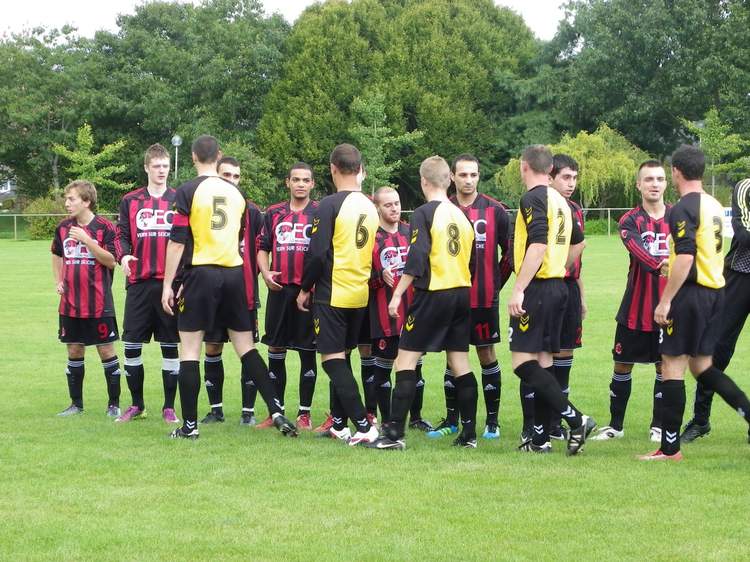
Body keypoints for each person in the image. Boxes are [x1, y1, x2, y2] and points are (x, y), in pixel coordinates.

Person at [161, 135, 296, 439]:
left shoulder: (187, 191)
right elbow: (238, 239)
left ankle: (190, 427)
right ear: (219, 156)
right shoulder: (238, 195)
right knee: (246, 347)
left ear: (194, 156)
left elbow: (177, 241)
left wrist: (169, 284)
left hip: (202, 272)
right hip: (235, 273)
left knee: (190, 351)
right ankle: (276, 410)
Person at [639, 145, 750, 461]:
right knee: (703, 367)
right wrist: (673, 264)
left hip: (691, 296)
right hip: (717, 293)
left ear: (676, 171)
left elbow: (687, 256)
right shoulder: (713, 204)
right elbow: (699, 252)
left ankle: (669, 449)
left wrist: (665, 300)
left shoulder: (682, 208)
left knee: (672, 364)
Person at [367, 156, 476, 450]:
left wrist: (399, 294)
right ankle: (469, 436)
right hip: (462, 292)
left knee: (405, 361)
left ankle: (393, 435)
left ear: (423, 182)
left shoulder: (425, 213)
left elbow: (417, 257)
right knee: (459, 363)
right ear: (449, 179)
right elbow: (473, 261)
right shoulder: (462, 215)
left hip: (433, 293)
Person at [508, 145, 594, 455]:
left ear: (524, 166)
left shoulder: (534, 197)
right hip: (558, 286)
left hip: (540, 288)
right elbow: (577, 244)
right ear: (550, 170)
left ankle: (576, 419)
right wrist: (560, 268)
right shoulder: (562, 201)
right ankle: (540, 441)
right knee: (544, 365)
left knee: (522, 364)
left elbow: (538, 244)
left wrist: (519, 288)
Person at [296, 143, 379, 446]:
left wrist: (305, 288)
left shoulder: (329, 205)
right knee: (343, 357)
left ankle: (363, 425)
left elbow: (317, 254)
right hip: (359, 293)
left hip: (333, 292)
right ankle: (340, 424)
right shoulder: (370, 205)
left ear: (332, 169)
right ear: (359, 169)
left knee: (331, 361)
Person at [428, 154, 510, 440]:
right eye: (462, 175)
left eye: (473, 174)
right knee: (452, 358)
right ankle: (452, 420)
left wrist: (496, 281)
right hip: (450, 297)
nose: (468, 180)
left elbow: (510, 253)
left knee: (486, 354)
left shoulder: (495, 210)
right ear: (452, 176)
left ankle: (492, 421)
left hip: (484, 298)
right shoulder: (441, 208)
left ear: (479, 176)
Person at [591, 160, 669, 441]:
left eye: (659, 179)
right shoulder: (629, 220)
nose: (654, 184)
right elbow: (638, 250)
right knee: (622, 365)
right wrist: (665, 264)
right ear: (639, 184)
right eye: (648, 179)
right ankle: (616, 426)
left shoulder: (679, 217)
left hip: (669, 309)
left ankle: (658, 427)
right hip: (634, 308)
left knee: (665, 367)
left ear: (666, 183)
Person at [681, 177, 750, 443]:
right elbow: (743, 235)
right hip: (739, 278)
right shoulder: (745, 186)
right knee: (715, 350)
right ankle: (700, 420)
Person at [115, 144, 180, 424]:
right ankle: (137, 404)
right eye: (156, 166)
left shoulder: (179, 199)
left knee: (170, 346)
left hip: (169, 284)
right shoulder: (130, 201)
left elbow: (187, 240)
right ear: (146, 168)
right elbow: (121, 235)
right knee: (131, 345)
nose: (162, 170)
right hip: (140, 284)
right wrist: (123, 255)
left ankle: (169, 407)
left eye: (165, 166)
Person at [253, 162, 319, 430]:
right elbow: (262, 247)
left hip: (309, 292)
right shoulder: (274, 213)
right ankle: (275, 411)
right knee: (275, 349)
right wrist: (266, 272)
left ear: (312, 184)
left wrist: (312, 285)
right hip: (280, 291)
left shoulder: (319, 213)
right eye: (296, 179)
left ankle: (305, 413)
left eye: (306, 180)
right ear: (287, 183)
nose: (301, 184)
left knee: (308, 352)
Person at [198, 156, 263, 426]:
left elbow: (261, 251)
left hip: (244, 291)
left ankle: (248, 412)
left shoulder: (254, 212)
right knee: (212, 348)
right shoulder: (204, 206)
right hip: (211, 291)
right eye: (227, 175)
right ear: (216, 174)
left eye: (236, 176)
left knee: (246, 351)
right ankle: (216, 410)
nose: (232, 181)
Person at [52, 180, 122, 417]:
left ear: (86, 201)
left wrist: (87, 240)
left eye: (71, 199)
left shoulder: (105, 227)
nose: (67, 203)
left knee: (106, 351)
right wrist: (58, 280)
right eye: (67, 198)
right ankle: (76, 404)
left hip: (100, 304)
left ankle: (113, 405)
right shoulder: (63, 228)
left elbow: (112, 261)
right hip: (70, 304)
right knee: (74, 350)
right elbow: (57, 253)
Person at [368, 186, 432, 431]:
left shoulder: (411, 232)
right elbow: (363, 276)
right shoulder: (372, 239)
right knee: (383, 367)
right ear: (378, 208)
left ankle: (415, 418)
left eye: (396, 203)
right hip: (385, 314)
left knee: (415, 367)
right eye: (388, 205)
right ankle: (387, 420)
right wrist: (377, 276)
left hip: (414, 312)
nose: (394, 208)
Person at [544, 154, 586, 441]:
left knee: (566, 353)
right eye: (565, 177)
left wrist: (582, 296)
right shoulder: (543, 206)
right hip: (548, 287)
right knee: (543, 354)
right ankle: (541, 421)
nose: (571, 184)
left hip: (569, 289)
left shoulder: (575, 209)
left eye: (574, 178)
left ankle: (559, 420)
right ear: (550, 177)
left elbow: (579, 252)